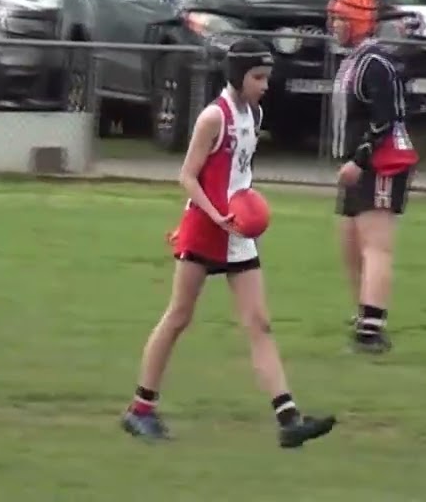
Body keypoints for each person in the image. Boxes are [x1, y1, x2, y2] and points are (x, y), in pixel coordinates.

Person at [120, 38, 337, 449]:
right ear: (237, 76)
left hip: (238, 232)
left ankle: (288, 418)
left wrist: (244, 208)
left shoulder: (254, 113)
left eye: (266, 77)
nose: (264, 85)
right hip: (206, 226)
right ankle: (140, 409)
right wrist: (212, 214)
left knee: (259, 322)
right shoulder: (212, 118)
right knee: (179, 316)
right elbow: (187, 175)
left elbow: (238, 175)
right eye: (257, 77)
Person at [329, 0, 415, 354]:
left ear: (357, 22)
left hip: (382, 164)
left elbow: (386, 120)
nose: (334, 26)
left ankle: (372, 328)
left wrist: (359, 160)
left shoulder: (375, 63)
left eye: (340, 19)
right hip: (359, 164)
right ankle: (363, 311)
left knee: (375, 245)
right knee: (349, 240)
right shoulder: (353, 60)